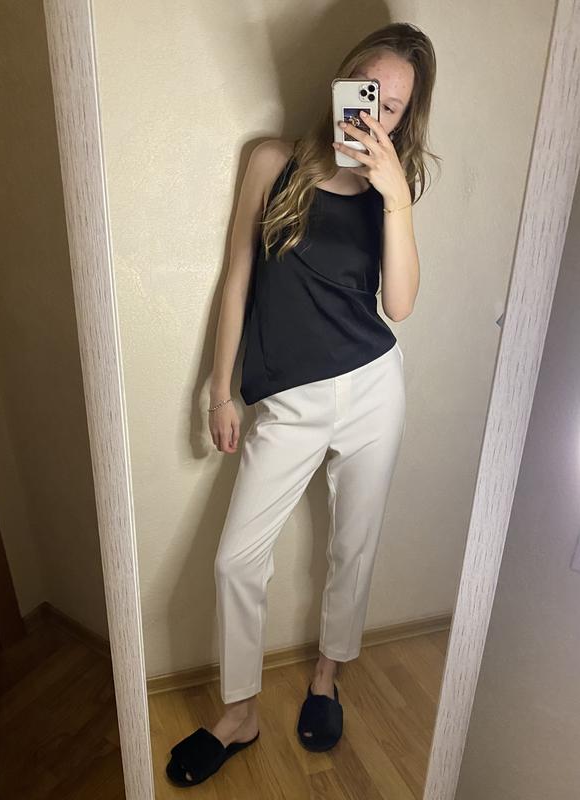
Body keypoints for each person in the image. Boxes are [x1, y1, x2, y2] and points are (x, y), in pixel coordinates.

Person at [166, 21, 437, 788]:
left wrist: (396, 198)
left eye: (393, 106)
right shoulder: (271, 160)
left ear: (404, 120)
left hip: (373, 388)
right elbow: (237, 276)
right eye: (368, 89)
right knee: (235, 559)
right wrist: (220, 389)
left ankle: (326, 677)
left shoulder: (391, 191)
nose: (375, 110)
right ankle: (240, 713)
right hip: (289, 399)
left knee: (354, 545)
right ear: (344, 79)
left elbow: (401, 305)